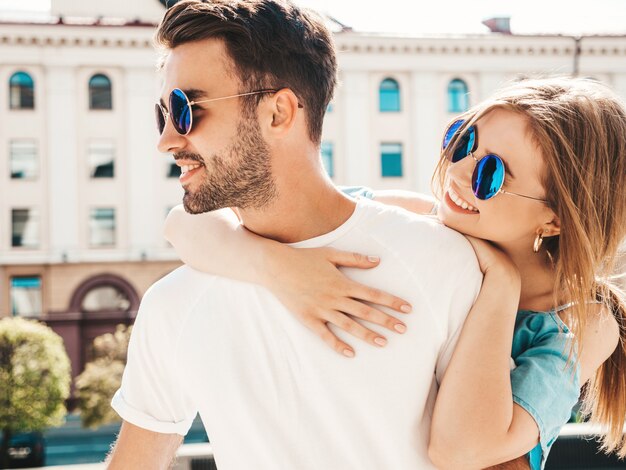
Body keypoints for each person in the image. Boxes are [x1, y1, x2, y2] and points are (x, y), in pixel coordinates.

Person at [165, 76, 626, 469]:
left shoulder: (585, 319)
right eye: (462, 141)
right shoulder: (414, 220)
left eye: (492, 173)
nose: (459, 172)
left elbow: (461, 448)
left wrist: (501, 287)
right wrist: (282, 269)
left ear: (556, 219)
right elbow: (186, 222)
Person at [107, 1, 493, 469]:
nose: (167, 140)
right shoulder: (174, 304)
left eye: (186, 111)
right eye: (161, 115)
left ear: (278, 113)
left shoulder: (440, 261)